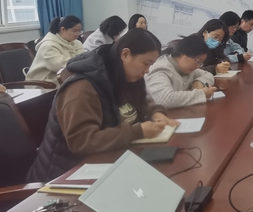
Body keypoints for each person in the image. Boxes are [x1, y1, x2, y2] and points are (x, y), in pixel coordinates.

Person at [27, 29, 178, 182]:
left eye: (151, 65)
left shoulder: (124, 75)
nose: (147, 71)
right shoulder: (82, 88)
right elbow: (82, 141)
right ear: (125, 54)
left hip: (105, 161)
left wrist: (156, 113)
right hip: (64, 175)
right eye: (145, 63)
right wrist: (138, 131)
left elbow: (140, 101)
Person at [145, 34, 217, 108]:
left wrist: (199, 82)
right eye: (197, 61)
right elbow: (166, 99)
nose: (198, 66)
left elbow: (208, 75)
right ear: (183, 53)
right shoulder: (160, 69)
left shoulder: (187, 69)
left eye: (200, 63)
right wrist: (202, 94)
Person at [26, 16, 86, 86]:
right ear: (63, 29)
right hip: (44, 82)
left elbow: (84, 59)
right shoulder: (48, 46)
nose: (78, 34)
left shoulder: (76, 43)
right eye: (75, 31)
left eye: (79, 31)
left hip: (67, 77)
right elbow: (60, 66)